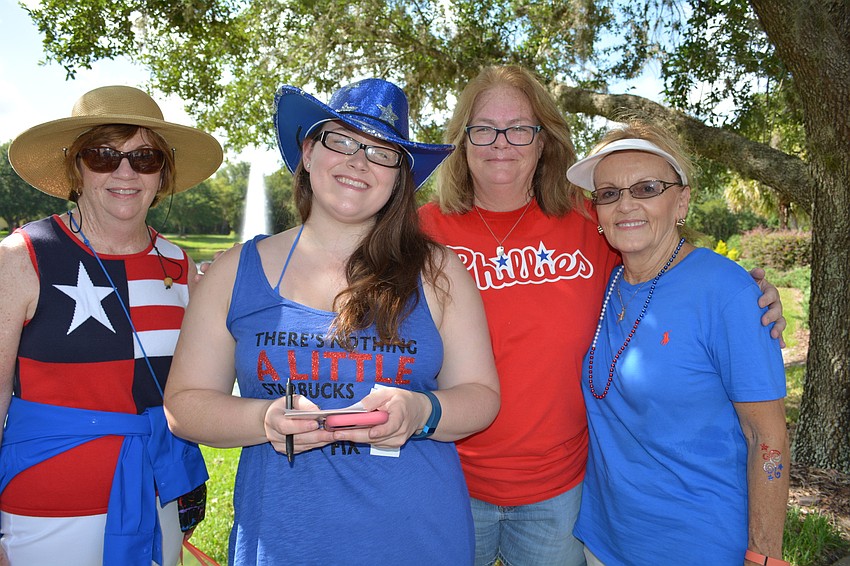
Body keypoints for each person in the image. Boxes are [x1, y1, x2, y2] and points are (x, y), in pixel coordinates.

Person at [418, 65, 787, 566]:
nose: (500, 142)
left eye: (519, 128)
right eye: (483, 128)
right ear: (461, 140)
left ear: (543, 139)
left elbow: (662, 251)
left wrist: (747, 295)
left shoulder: (586, 220)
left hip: (561, 494)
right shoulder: (419, 233)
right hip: (447, 478)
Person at [163, 78, 500, 566]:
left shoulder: (439, 271)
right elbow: (185, 406)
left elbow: (481, 397)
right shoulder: (235, 271)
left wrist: (420, 412)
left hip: (419, 540)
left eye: (382, 151)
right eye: (341, 140)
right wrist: (264, 419)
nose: (359, 161)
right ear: (307, 150)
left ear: (399, 177)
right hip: (283, 541)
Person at [0, 85, 222, 566]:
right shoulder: (21, 258)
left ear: (162, 173)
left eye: (144, 158)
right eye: (103, 155)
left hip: (155, 494)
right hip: (44, 509)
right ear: (74, 167)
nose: (125, 172)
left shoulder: (179, 266)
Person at [566, 120, 789, 565]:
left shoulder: (728, 292)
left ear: (681, 200)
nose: (625, 204)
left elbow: (767, 435)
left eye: (647, 187)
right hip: (603, 541)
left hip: (698, 546)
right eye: (609, 193)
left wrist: (765, 557)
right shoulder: (599, 284)